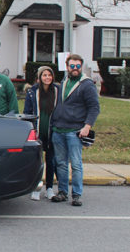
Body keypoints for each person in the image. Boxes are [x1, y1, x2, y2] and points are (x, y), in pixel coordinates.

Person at [50, 54, 100, 207]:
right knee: (61, 164)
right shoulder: (64, 82)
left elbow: (94, 107)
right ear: (67, 67)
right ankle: (63, 192)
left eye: (78, 66)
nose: (75, 69)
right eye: (72, 66)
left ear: (81, 67)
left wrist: (87, 126)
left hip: (75, 131)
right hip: (58, 130)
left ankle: (77, 195)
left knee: (76, 164)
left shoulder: (86, 84)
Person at [24, 66, 60, 201]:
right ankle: (36, 188)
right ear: (39, 77)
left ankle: (49, 188)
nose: (47, 78)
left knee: (51, 161)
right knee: (38, 162)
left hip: (52, 132)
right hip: (37, 131)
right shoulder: (33, 92)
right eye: (44, 75)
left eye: (49, 75)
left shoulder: (57, 91)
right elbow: (27, 112)